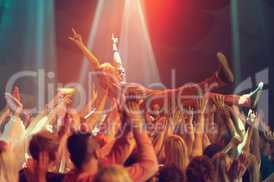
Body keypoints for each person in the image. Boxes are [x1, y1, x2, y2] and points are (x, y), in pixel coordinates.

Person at [68, 29, 263, 113]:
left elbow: (115, 59)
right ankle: (218, 78)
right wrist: (82, 45)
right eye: (108, 66)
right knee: (182, 93)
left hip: (150, 97)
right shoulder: (114, 88)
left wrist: (113, 45)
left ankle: (243, 100)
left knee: (203, 96)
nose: (110, 64)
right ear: (107, 75)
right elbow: (95, 63)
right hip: (148, 104)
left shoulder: (120, 78)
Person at [59, 99, 158, 182]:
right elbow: (150, 165)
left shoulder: (69, 180)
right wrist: (137, 123)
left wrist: (126, 126)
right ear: (97, 153)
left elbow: (115, 157)